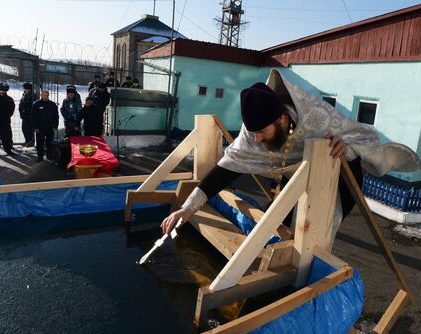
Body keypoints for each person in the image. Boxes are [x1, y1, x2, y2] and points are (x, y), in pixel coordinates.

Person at [161, 75, 381, 245]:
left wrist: (347, 146)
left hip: (339, 178)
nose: (257, 139)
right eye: (253, 132)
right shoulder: (253, 132)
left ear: (283, 119)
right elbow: (226, 169)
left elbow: (366, 137)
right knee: (281, 227)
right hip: (294, 175)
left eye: (262, 131)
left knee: (312, 236)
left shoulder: (318, 117)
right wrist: (188, 208)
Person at [31, 90, 58, 162]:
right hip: (40, 128)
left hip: (50, 127)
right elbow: (33, 117)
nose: (45, 97)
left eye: (46, 95)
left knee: (49, 143)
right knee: (40, 143)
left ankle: (49, 156)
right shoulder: (36, 104)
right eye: (43, 95)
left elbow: (56, 116)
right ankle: (40, 156)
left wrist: (55, 126)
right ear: (41, 95)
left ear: (48, 95)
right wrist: (35, 127)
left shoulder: (52, 104)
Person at [18, 82, 36, 147]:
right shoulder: (24, 94)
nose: (27, 90)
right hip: (24, 115)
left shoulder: (33, 96)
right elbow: (21, 104)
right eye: (25, 89)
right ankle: (27, 140)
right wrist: (21, 111)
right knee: (24, 128)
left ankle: (30, 142)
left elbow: (32, 106)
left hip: (30, 115)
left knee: (29, 129)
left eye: (28, 89)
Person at [0, 82, 15, 148]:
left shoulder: (9, 99)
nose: (3, 91)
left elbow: (12, 109)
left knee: (8, 133)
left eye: (5, 90)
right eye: (2, 90)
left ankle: (9, 144)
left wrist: (6, 115)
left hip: (6, 119)